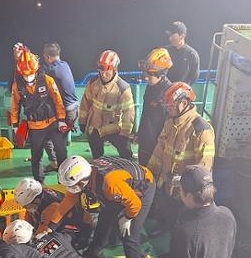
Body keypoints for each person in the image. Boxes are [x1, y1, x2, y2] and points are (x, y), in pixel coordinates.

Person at [46, 155, 155, 258]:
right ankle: (94, 251)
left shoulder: (110, 185)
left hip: (143, 188)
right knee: (105, 218)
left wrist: (127, 218)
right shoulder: (85, 175)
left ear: (83, 180)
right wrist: (51, 227)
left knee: (129, 235)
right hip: (122, 186)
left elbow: (134, 204)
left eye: (73, 186)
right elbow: (66, 204)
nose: (71, 189)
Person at [147, 82, 215, 230]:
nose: (168, 110)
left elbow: (204, 166)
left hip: (185, 191)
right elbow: (160, 147)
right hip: (166, 183)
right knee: (166, 208)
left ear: (184, 103)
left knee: (181, 221)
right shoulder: (170, 122)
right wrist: (150, 171)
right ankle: (164, 224)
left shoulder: (201, 129)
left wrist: (182, 181)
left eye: (171, 107)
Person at [10, 50, 69, 183]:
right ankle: (39, 183)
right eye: (25, 75)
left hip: (53, 122)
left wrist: (61, 120)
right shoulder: (17, 86)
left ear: (36, 69)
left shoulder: (47, 80)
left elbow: (57, 100)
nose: (28, 77)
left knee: (61, 151)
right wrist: (15, 125)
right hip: (34, 125)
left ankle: (64, 181)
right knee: (36, 155)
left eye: (31, 73)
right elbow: (15, 105)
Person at [79, 50, 135, 160]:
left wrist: (125, 133)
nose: (103, 74)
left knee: (126, 154)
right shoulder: (92, 83)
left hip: (114, 128)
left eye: (107, 71)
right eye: (101, 70)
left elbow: (128, 113)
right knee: (97, 156)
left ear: (115, 70)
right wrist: (82, 122)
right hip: (95, 127)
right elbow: (86, 103)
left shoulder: (123, 88)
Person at [13, 43, 58, 172]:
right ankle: (48, 167)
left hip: (48, 116)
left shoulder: (44, 77)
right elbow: (15, 100)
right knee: (41, 144)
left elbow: (55, 97)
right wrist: (15, 124)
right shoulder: (19, 76)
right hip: (34, 118)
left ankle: (54, 162)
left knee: (48, 141)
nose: (28, 77)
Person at [13, 177, 93, 248]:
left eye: (26, 206)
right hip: (66, 222)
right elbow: (29, 217)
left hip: (79, 230)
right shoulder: (39, 195)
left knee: (44, 245)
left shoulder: (50, 209)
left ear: (36, 201)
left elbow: (41, 233)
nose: (24, 208)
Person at [137, 48, 173, 166]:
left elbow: (170, 125)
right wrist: (140, 133)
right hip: (145, 140)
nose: (146, 78)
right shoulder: (150, 87)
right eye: (146, 74)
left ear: (161, 74)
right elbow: (146, 113)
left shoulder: (170, 93)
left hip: (158, 145)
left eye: (150, 74)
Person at [41, 42, 79, 133]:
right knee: (62, 137)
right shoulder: (65, 64)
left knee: (58, 140)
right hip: (75, 107)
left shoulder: (52, 70)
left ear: (48, 57)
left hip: (68, 111)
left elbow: (38, 72)